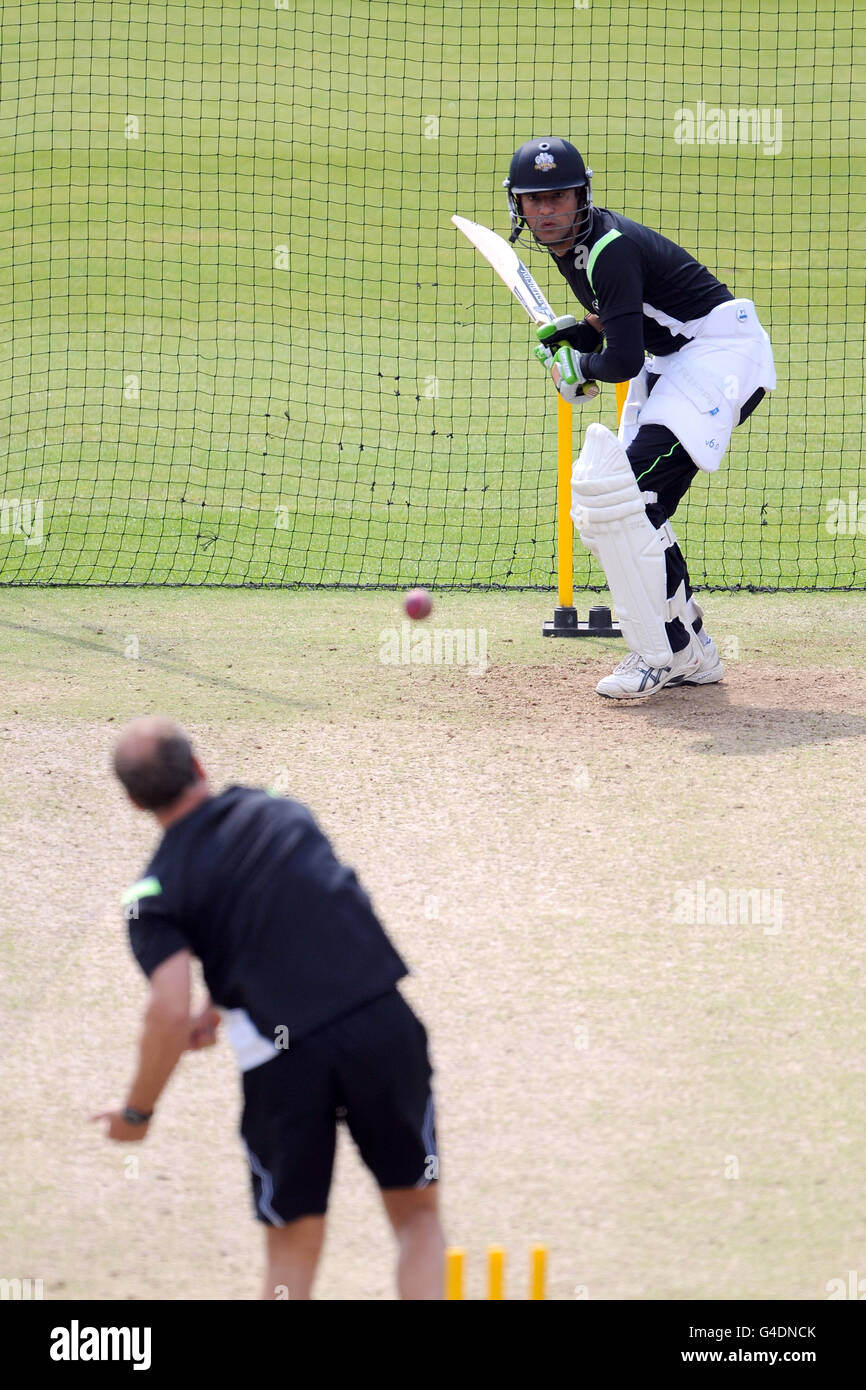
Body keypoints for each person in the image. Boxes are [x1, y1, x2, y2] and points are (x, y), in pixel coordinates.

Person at [93, 716, 444, 1300]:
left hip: (283, 1063)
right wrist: (222, 1002)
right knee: (417, 1218)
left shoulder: (151, 894)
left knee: (292, 1244)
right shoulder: (281, 812)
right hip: (379, 1025)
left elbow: (169, 1011)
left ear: (134, 801)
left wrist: (137, 1115)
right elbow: (296, 913)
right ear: (199, 767)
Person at [504, 137, 776, 699]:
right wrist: (580, 337)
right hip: (676, 359)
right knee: (616, 507)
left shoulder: (609, 247)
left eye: (559, 196)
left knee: (628, 501)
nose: (547, 210)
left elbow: (623, 359)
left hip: (717, 356)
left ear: (582, 196)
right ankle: (690, 649)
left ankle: (664, 655)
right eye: (535, 200)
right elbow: (626, 323)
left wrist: (582, 364)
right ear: (518, 207)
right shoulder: (576, 251)